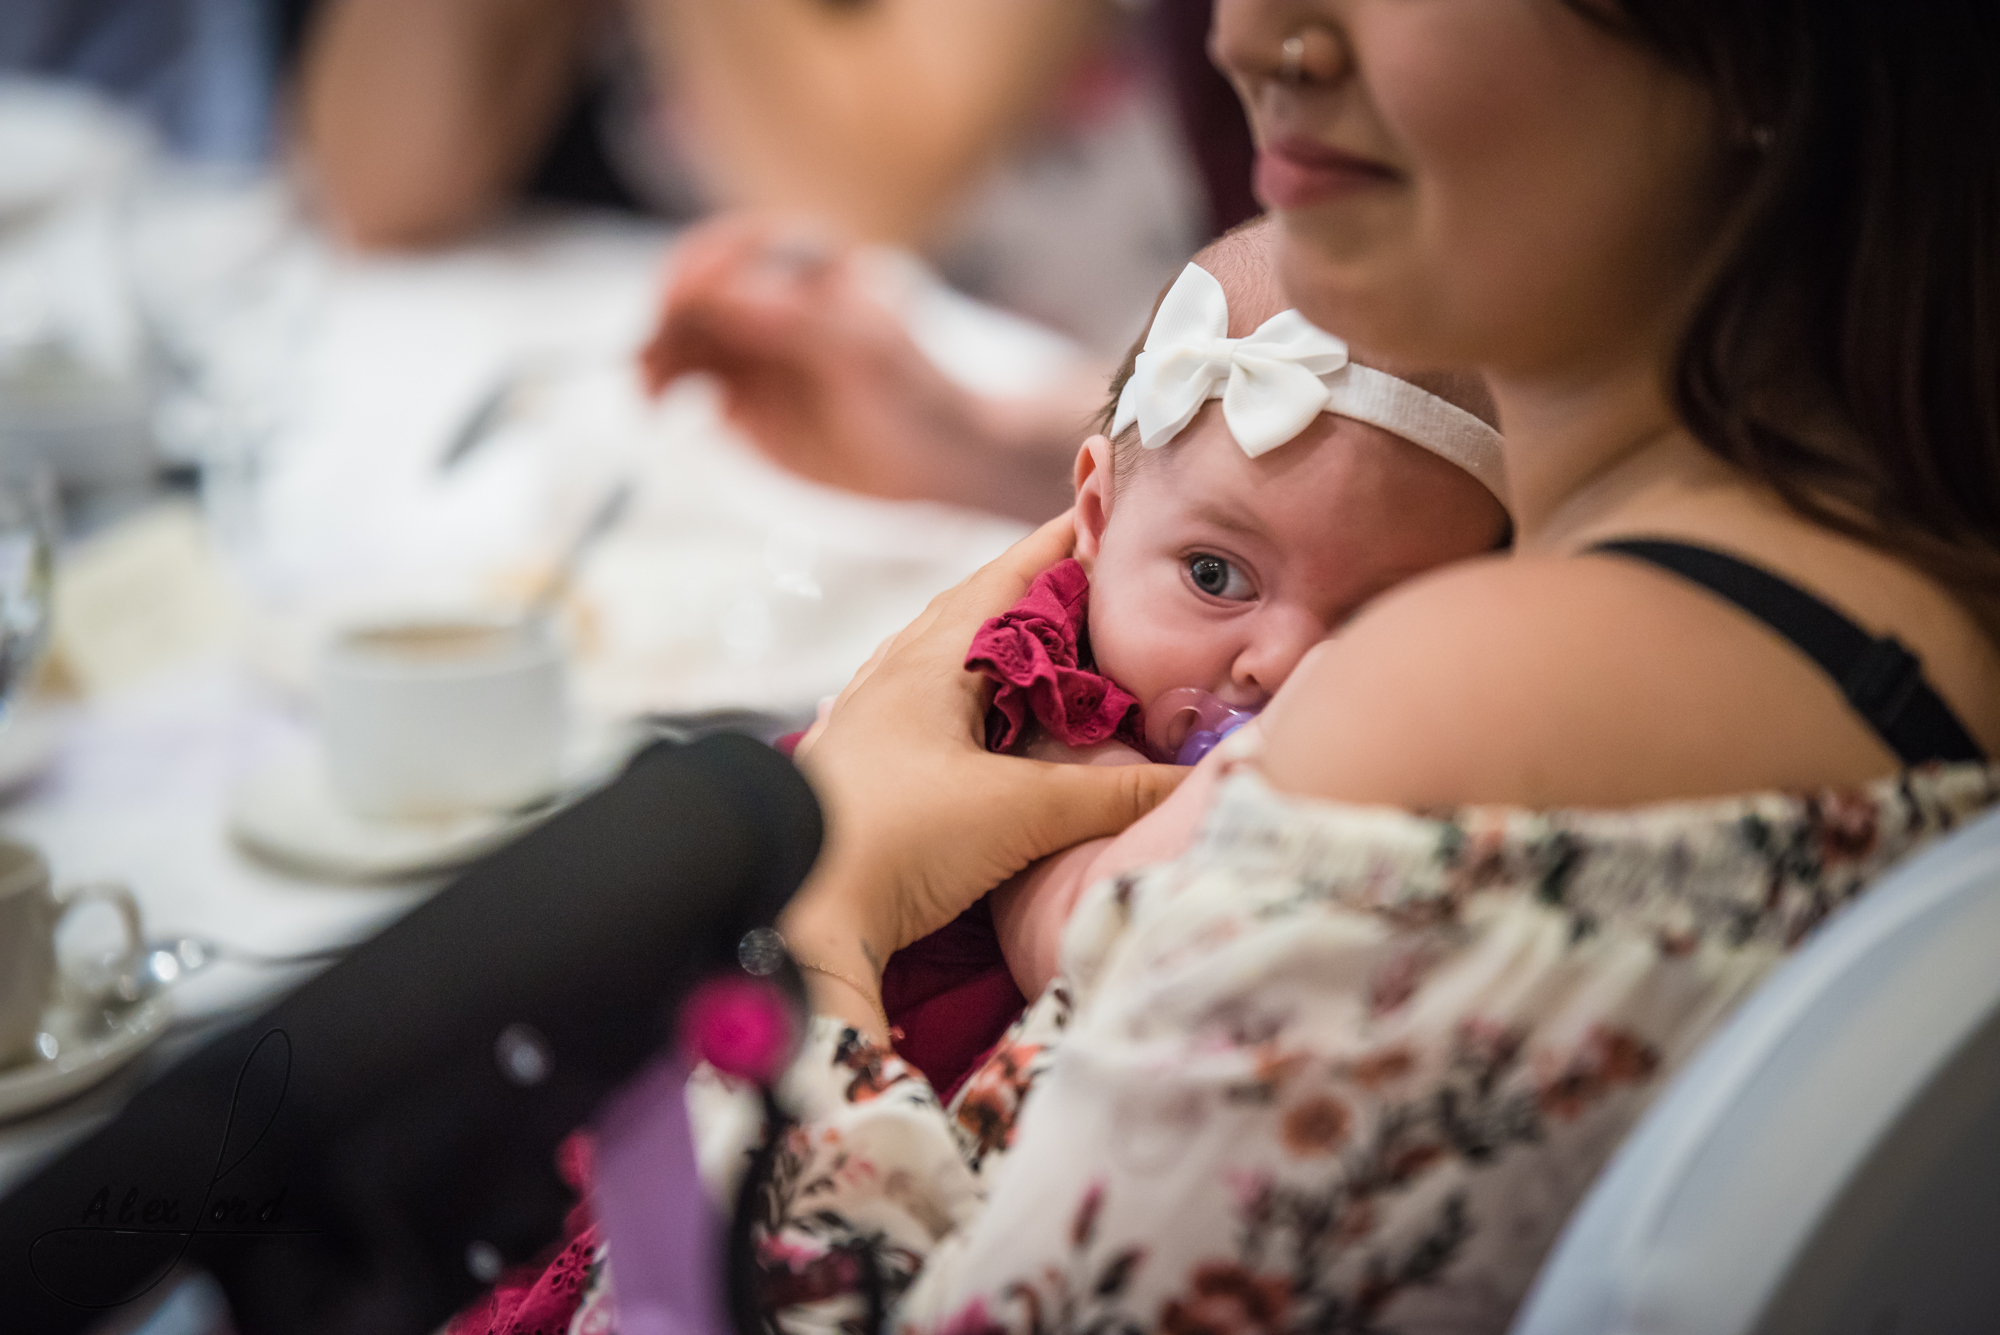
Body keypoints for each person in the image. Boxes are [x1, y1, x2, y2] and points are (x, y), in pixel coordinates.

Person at [590, 0, 1999, 1329]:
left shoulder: (1433, 733)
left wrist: (809, 909)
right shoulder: (1915, 549)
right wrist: (987, 445)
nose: (1249, 31)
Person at [883, 225, 1510, 1095]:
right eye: (1216, 576)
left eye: (1375, 617)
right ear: (1096, 520)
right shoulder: (1053, 702)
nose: (1281, 661)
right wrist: (1261, 763)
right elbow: (1086, 944)